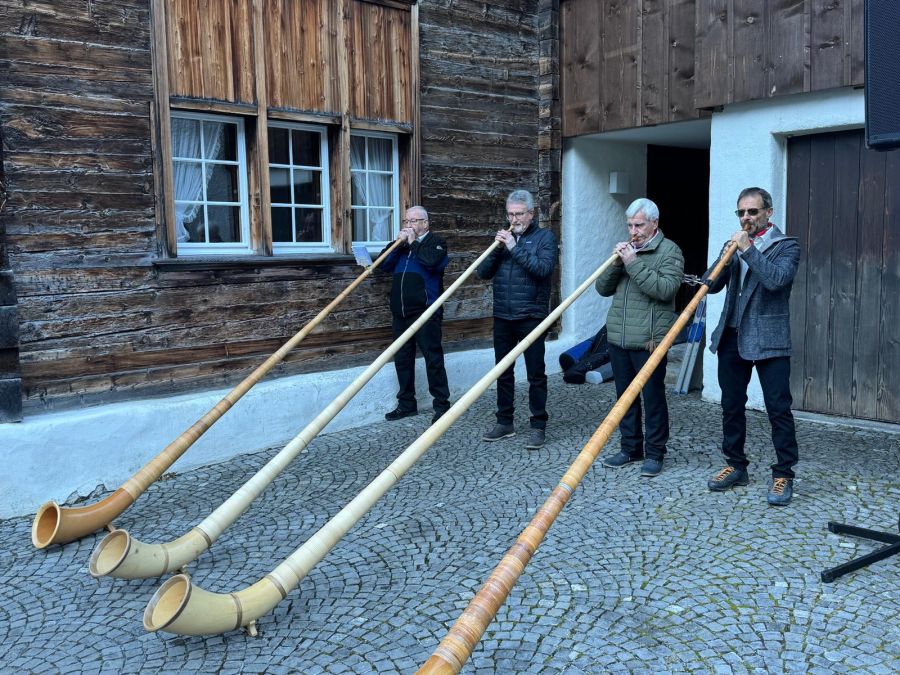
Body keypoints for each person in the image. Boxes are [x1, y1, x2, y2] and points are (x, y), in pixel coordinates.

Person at [705, 187, 801, 506]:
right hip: (732, 335)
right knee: (731, 405)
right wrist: (723, 258)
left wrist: (747, 249)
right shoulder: (735, 244)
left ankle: (783, 473)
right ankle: (736, 466)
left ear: (768, 213)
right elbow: (712, 284)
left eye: (753, 212)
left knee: (777, 408)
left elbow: (775, 280)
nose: (746, 218)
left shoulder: (787, 246)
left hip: (769, 339)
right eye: (742, 212)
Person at [595, 198, 684, 477]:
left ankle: (655, 453)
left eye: (639, 225)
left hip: (649, 340)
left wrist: (632, 263)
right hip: (619, 337)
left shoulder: (670, 251)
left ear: (654, 224)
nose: (634, 231)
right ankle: (630, 448)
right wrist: (616, 264)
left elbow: (666, 290)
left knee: (652, 398)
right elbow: (602, 288)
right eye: (630, 225)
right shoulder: (627, 252)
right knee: (624, 398)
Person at [477, 189, 558, 449]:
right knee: (503, 371)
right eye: (510, 214)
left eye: (519, 214)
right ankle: (505, 422)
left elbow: (542, 270)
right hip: (503, 314)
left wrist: (513, 247)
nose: (514, 219)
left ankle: (538, 425)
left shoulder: (545, 237)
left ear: (531, 214)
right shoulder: (505, 240)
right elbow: (483, 273)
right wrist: (498, 249)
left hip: (531, 315)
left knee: (536, 373)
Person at [380, 206, 451, 424]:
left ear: (425, 223)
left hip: (425, 312)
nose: (408, 225)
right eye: (406, 220)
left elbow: (431, 263)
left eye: (414, 221)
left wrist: (413, 242)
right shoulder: (402, 247)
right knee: (402, 359)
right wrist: (396, 244)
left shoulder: (436, 243)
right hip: (400, 313)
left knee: (433, 359)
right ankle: (407, 404)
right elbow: (383, 265)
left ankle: (442, 406)